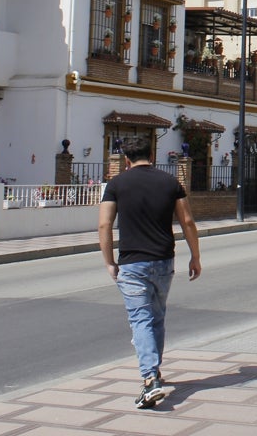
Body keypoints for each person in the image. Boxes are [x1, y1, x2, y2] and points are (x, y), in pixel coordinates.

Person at [99, 135, 201, 409]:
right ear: (152, 156)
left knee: (141, 320)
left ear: (126, 159)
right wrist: (195, 256)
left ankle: (149, 380)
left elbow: (104, 225)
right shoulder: (170, 182)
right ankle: (154, 371)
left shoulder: (116, 184)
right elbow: (188, 221)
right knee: (156, 318)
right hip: (164, 261)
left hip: (132, 263)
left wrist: (109, 261)